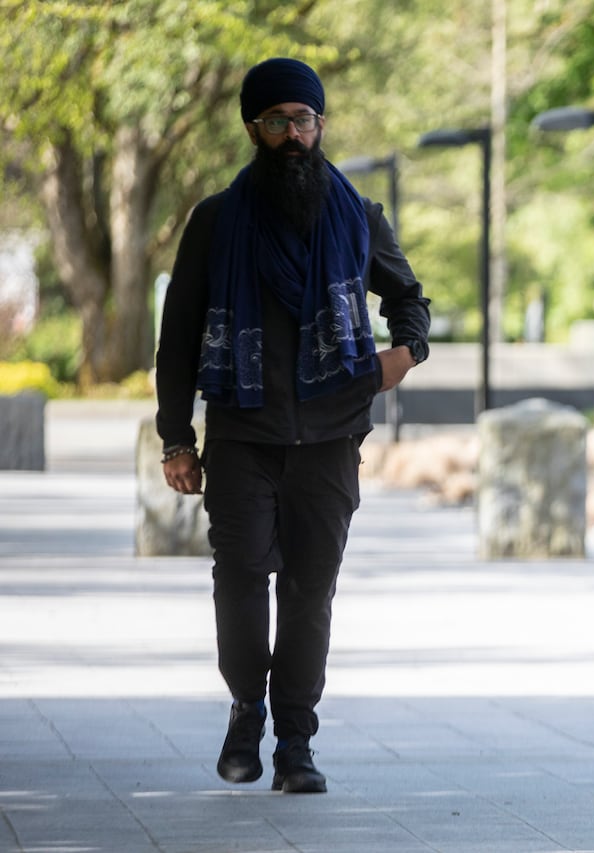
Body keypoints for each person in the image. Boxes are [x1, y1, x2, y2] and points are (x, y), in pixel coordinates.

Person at [154, 57, 432, 794]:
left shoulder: (357, 216)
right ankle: (247, 702)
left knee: (311, 591)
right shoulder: (216, 220)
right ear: (253, 129)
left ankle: (296, 744)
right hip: (243, 434)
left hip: (332, 437)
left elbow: (409, 297)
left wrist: (399, 356)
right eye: (274, 121)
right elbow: (178, 333)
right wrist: (176, 437)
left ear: (320, 124)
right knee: (240, 577)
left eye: (301, 120)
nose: (290, 135)